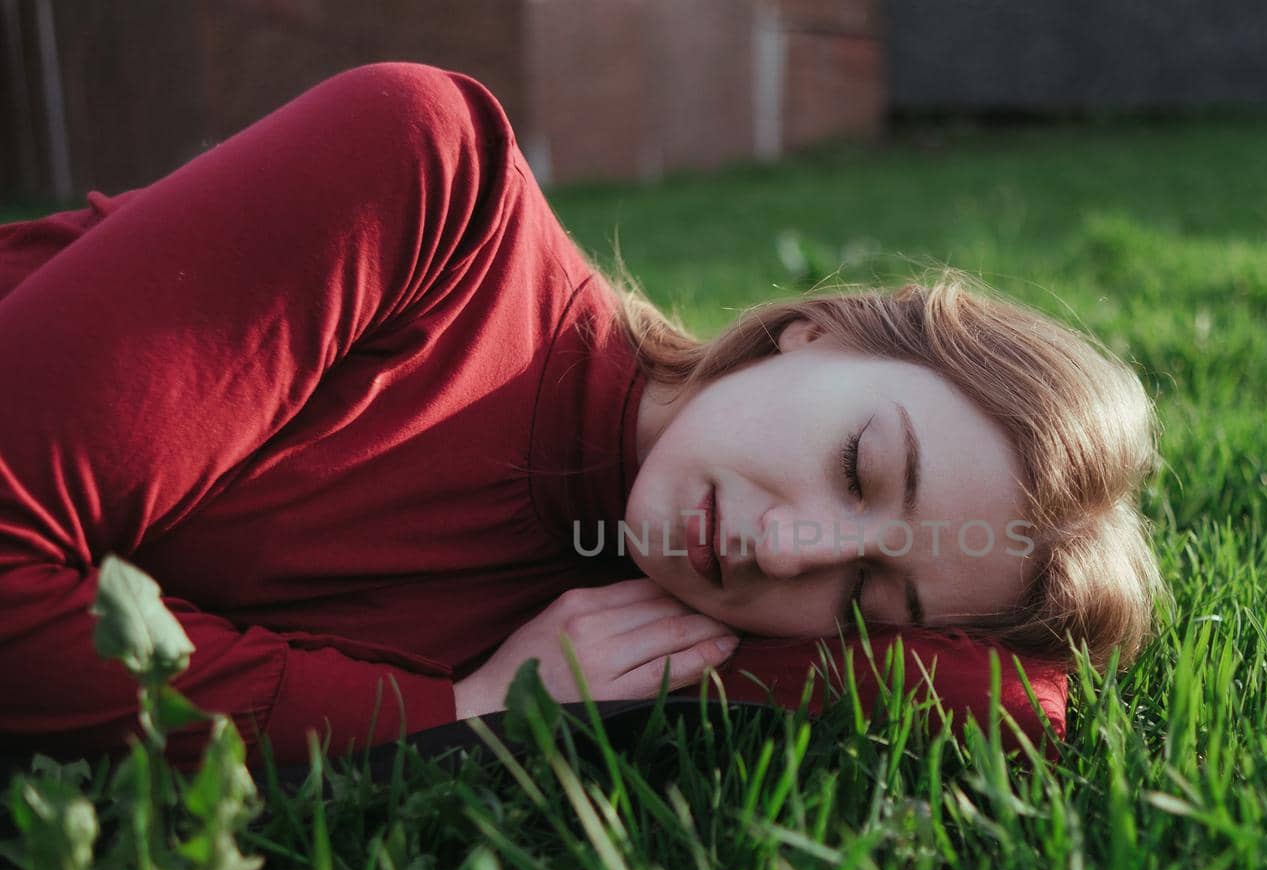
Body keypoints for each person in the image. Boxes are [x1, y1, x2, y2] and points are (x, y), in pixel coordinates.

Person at [0, 62, 1162, 770]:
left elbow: (1002, 701)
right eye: (860, 468)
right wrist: (456, 714)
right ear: (819, 329)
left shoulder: (631, 643)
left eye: (863, 597)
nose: (784, 547)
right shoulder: (427, 184)